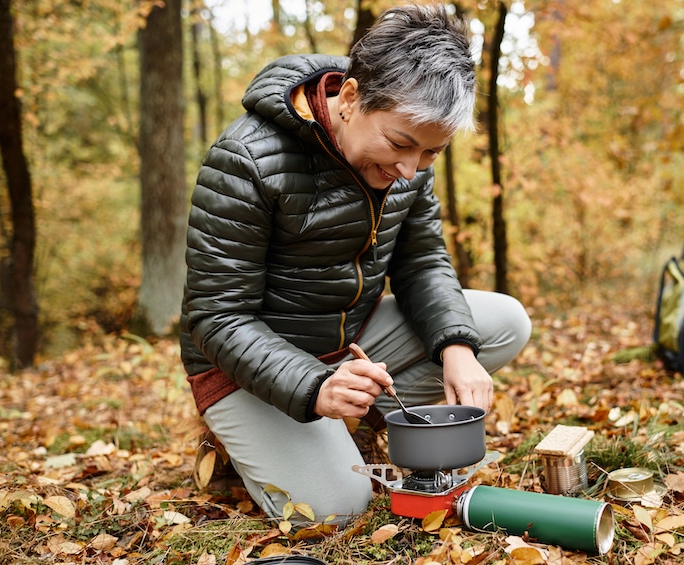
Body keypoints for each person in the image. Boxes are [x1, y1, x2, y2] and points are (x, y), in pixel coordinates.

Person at [179, 3, 531, 527]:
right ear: (350, 98)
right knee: (337, 510)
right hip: (243, 367)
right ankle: (253, 438)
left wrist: (456, 347)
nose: (410, 170)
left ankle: (348, 424)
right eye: (401, 145)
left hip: (349, 342)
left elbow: (422, 264)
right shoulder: (246, 159)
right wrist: (314, 386)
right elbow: (216, 317)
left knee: (503, 323)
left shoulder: (406, 165)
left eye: (432, 154)